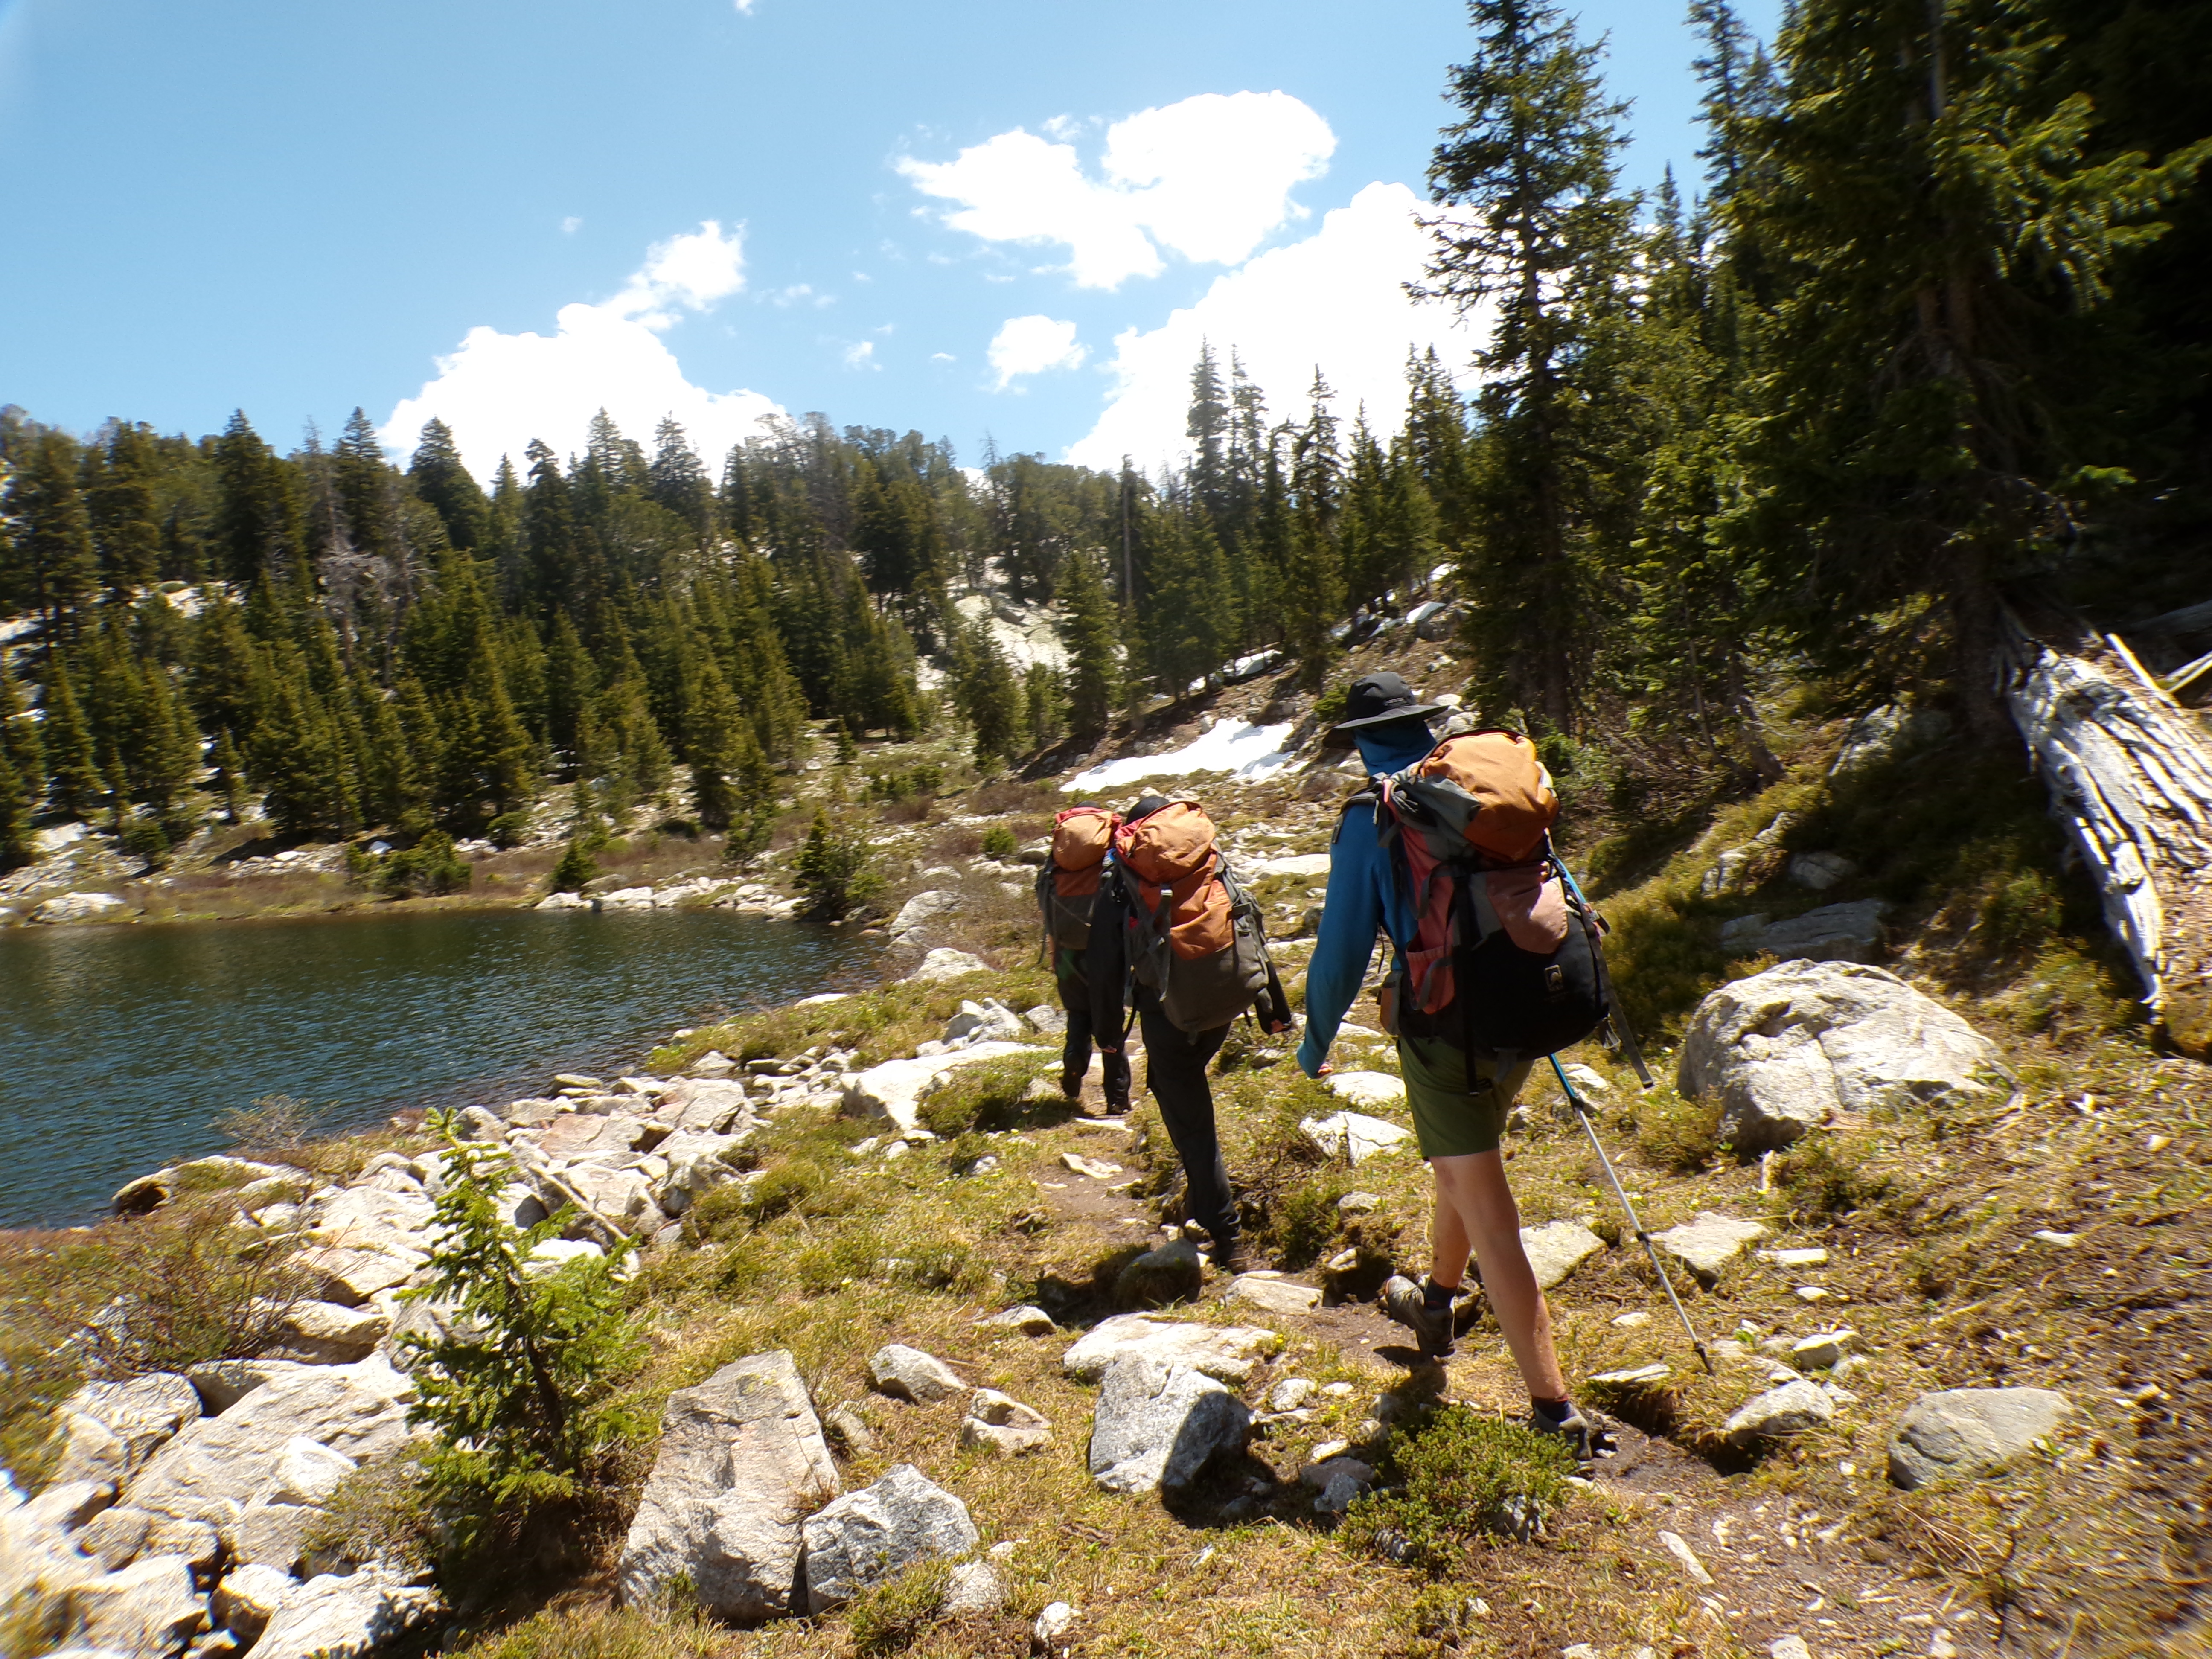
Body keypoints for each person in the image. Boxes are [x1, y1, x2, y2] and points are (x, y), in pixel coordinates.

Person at [1297, 671, 1598, 1460]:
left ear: (1359, 743)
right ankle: (1434, 1301)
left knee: (1488, 1206)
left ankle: (1551, 1407)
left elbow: (1339, 949)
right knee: (1458, 1167)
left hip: (1445, 1029)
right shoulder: (1475, 794)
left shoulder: (1376, 817)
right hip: (1527, 1010)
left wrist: (1312, 1041)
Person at [1086, 793, 1244, 1272]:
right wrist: (1273, 1005)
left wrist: (1108, 1032)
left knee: (1192, 1120)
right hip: (1220, 1003)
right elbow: (1247, 920)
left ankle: (1228, 1236)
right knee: (1178, 1092)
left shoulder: (1121, 879)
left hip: (1166, 1012)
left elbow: (1104, 963)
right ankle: (1199, 1202)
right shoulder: (1207, 860)